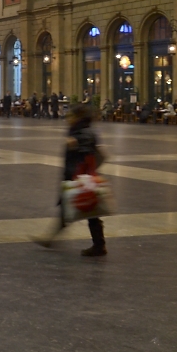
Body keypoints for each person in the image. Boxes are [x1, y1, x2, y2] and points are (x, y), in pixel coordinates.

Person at [36, 102, 107, 257]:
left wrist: (76, 153)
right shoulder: (87, 131)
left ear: (77, 117)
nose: (67, 118)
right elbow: (102, 154)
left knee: (86, 210)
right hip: (84, 177)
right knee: (88, 210)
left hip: (76, 177)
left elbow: (83, 155)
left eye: (70, 115)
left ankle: (98, 245)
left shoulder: (78, 134)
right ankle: (98, 244)